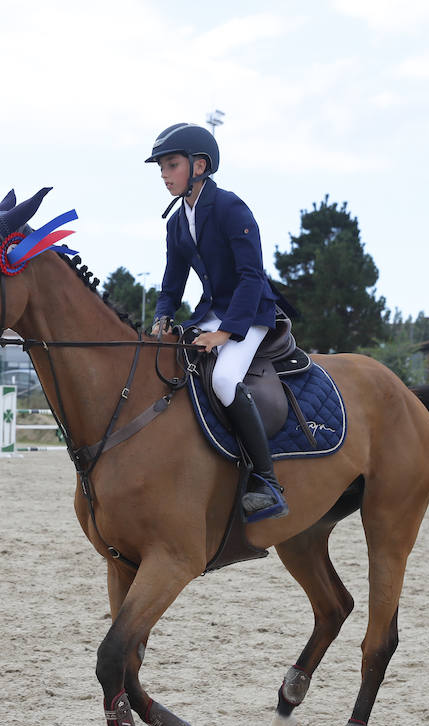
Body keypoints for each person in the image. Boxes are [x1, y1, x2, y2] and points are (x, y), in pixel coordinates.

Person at [146, 122, 288, 521]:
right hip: (210, 312)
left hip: (249, 312)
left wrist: (225, 334)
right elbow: (172, 281)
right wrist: (162, 316)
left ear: (200, 166)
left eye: (171, 165)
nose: (164, 174)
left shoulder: (230, 207)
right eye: (161, 167)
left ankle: (267, 481)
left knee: (224, 379)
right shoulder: (177, 222)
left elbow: (251, 276)